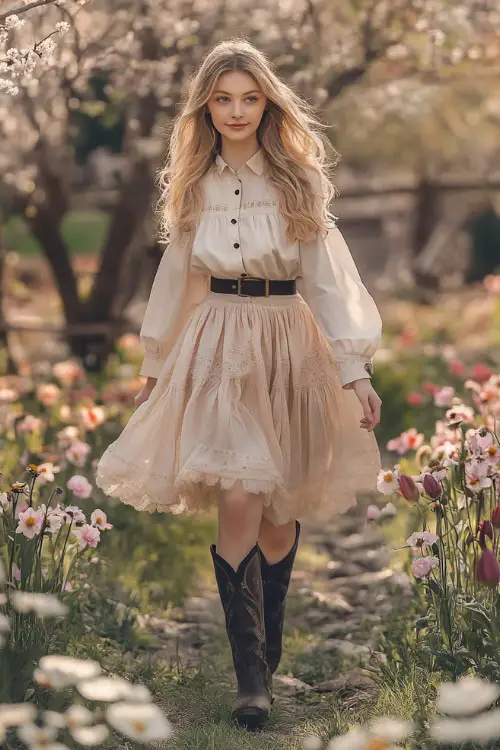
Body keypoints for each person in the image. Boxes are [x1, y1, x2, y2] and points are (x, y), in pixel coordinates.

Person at [96, 38, 383, 731]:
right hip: (220, 339)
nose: (236, 111)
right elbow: (178, 278)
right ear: (206, 106)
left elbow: (327, 277)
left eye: (249, 98)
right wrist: (157, 366)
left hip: (288, 339)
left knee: (280, 509)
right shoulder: (193, 182)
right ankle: (250, 677)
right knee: (237, 490)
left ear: (267, 103)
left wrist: (354, 367)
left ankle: (269, 634)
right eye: (222, 99)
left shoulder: (296, 181)